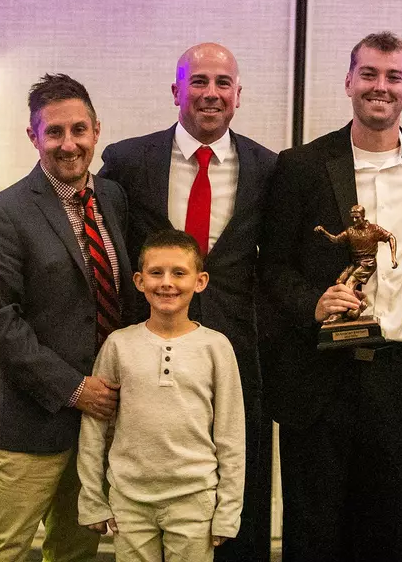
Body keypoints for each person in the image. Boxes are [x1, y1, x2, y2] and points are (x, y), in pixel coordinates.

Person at [258, 31, 402, 562]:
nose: (380, 87)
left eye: (393, 77)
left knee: (390, 530)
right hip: (322, 376)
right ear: (348, 81)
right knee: (314, 530)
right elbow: (272, 266)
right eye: (369, 74)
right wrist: (313, 304)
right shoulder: (300, 165)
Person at [98, 42, 276, 562]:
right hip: (147, 347)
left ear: (238, 95)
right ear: (177, 90)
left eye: (223, 83)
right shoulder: (129, 161)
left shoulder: (267, 167)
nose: (211, 93)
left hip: (238, 348)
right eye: (198, 81)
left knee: (241, 478)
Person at [0, 73, 136, 562]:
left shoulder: (113, 200)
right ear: (33, 136)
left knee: (76, 551)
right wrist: (73, 388)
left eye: (79, 130)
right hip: (30, 418)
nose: (69, 144)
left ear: (96, 130)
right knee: (4, 551)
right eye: (54, 132)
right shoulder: (3, 213)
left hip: (99, 423)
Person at [77, 229, 245, 562]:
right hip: (130, 498)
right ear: (139, 281)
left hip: (194, 498)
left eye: (179, 273)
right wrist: (92, 498)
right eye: (156, 273)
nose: (166, 282)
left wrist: (228, 509)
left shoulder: (217, 347)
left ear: (200, 281)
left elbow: (231, 435)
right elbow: (95, 427)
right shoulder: (118, 345)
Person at [314, 204, 398, 322]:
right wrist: (324, 232)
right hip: (355, 262)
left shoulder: (374, 229)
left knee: (349, 285)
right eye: (352, 218)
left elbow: (391, 237)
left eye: (357, 217)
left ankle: (339, 314)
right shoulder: (351, 231)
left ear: (363, 216)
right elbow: (336, 239)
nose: (354, 220)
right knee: (339, 282)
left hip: (367, 263)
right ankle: (358, 305)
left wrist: (393, 257)